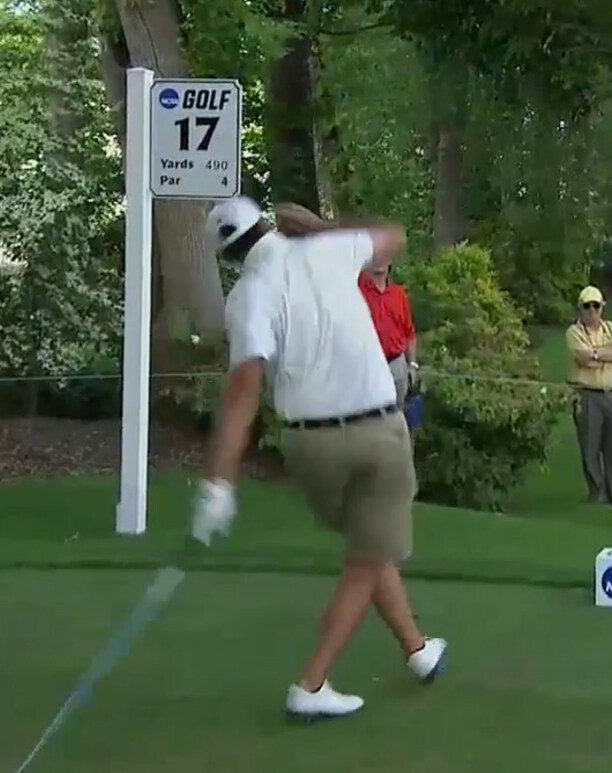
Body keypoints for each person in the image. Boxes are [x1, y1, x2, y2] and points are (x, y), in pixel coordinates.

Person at [190, 197, 447, 720]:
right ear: (266, 222)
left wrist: (218, 486)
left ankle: (418, 650)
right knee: (368, 557)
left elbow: (242, 394)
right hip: (376, 431)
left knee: (368, 545)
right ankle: (311, 683)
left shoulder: (244, 298)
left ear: (229, 256)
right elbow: (393, 234)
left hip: (309, 449)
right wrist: (321, 226)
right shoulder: (327, 248)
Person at [565, 285, 612, 506]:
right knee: (590, 447)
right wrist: (606, 355)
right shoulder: (574, 332)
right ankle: (597, 492)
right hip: (587, 395)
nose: (592, 311)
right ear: (580, 309)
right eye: (587, 306)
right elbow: (583, 359)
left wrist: (595, 354)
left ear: (602, 307)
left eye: (596, 306)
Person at [358, 265, 420, 410]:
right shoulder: (356, 292)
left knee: (396, 414)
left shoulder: (398, 294)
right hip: (367, 366)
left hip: (396, 365)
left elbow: (409, 334)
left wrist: (412, 364)